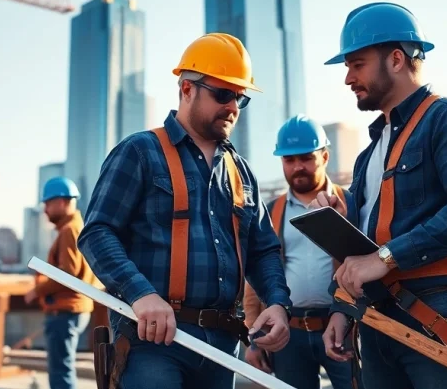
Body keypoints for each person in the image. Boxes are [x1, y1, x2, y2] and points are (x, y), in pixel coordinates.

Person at [79, 32, 293, 389]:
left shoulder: (241, 174)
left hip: (223, 345)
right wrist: (141, 294)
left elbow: (263, 249)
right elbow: (98, 232)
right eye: (223, 94)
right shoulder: (140, 152)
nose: (233, 107)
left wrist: (277, 302)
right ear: (186, 88)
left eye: (240, 98)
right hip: (153, 341)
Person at [320, 2, 447, 389]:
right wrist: (342, 306)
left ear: (397, 59)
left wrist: (385, 258)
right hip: (378, 318)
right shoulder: (369, 153)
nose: (348, 78)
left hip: (443, 312)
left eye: (357, 64)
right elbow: (365, 248)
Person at [242, 114, 356, 389]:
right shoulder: (270, 212)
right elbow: (254, 276)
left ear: (325, 157)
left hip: (343, 328)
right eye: (289, 160)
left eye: (306, 158)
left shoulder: (351, 203)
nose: (298, 167)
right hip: (289, 334)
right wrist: (253, 338)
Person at [25, 176, 99, 389]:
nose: (45, 210)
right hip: (74, 308)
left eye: (47, 204)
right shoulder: (77, 228)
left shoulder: (69, 231)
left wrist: (37, 291)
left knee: (60, 370)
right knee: (62, 367)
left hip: (65, 311)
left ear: (61, 202)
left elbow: (68, 273)